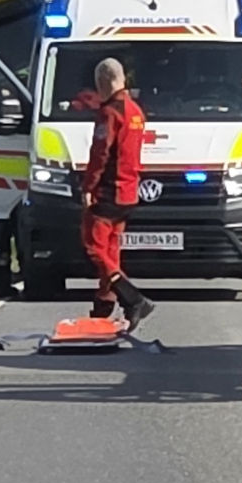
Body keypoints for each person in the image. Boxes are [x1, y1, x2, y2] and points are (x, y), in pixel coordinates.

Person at [81, 57, 155, 326]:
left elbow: (100, 154)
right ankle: (104, 306)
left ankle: (133, 298)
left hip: (108, 191)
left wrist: (89, 187)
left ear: (102, 82)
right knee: (110, 251)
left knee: (93, 247)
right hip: (128, 191)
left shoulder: (110, 113)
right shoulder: (135, 111)